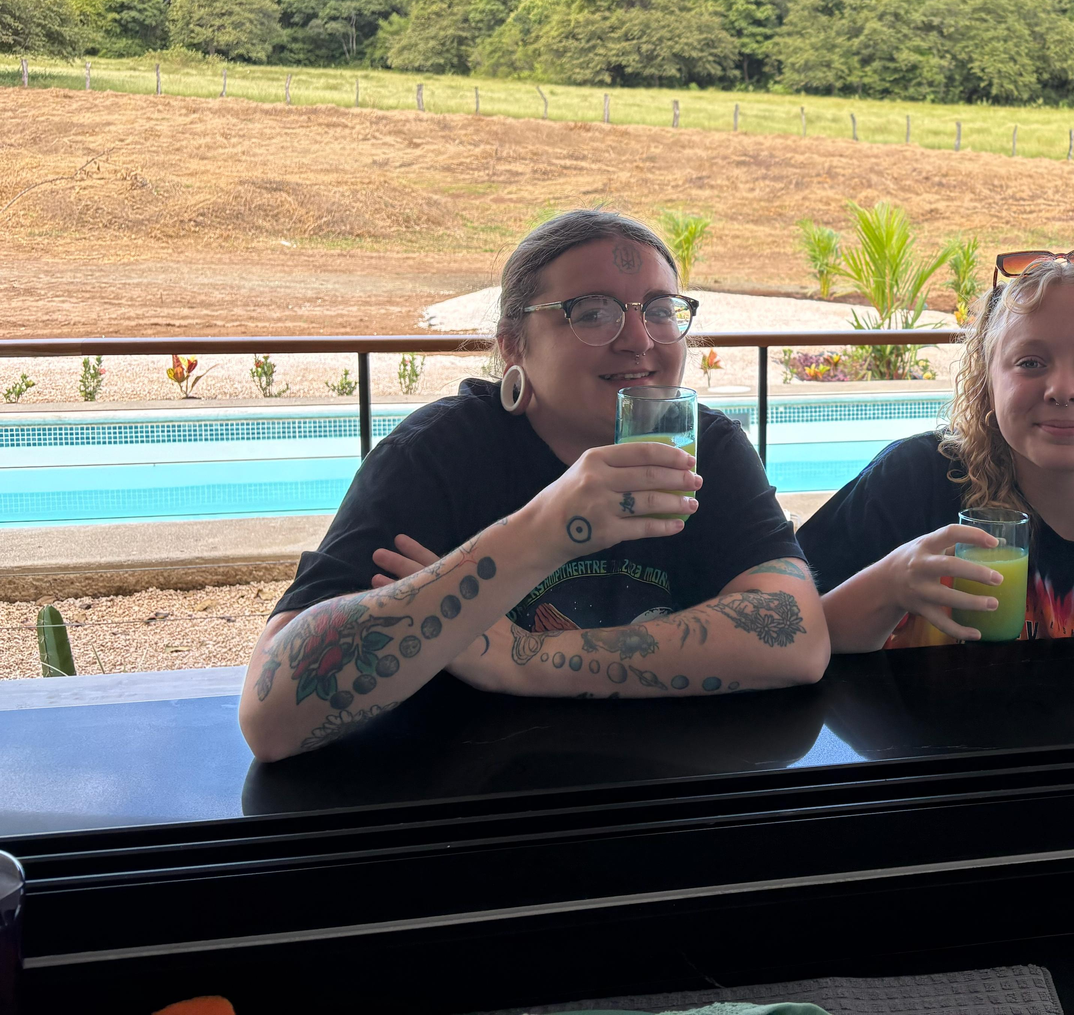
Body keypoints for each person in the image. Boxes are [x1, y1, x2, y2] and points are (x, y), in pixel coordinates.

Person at [239, 209, 828, 762]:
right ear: (514, 344)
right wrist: (544, 530)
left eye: (658, 309)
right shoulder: (437, 455)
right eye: (593, 311)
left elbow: (796, 638)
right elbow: (271, 718)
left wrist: (525, 659)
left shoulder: (709, 447)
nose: (640, 340)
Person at [802, 252, 1074, 650]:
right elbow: (786, 648)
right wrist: (888, 585)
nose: (1062, 389)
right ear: (988, 386)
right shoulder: (912, 486)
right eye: (1030, 363)